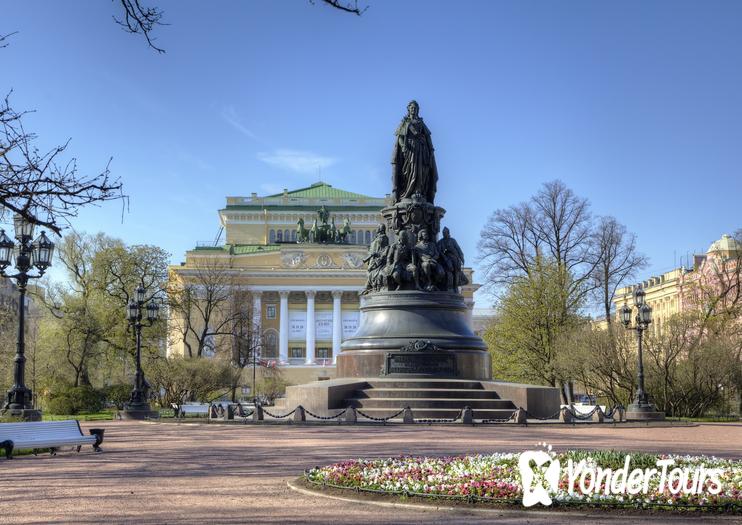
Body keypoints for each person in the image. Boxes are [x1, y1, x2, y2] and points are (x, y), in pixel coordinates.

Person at [391, 100, 438, 203]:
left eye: (415, 108)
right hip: (410, 150)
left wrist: (431, 150)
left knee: (420, 170)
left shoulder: (420, 122)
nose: (414, 110)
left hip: (421, 149)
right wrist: (403, 146)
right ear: (409, 109)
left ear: (418, 110)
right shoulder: (405, 122)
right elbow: (400, 137)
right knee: (409, 170)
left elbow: (427, 137)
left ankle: (418, 190)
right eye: (412, 108)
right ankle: (407, 191)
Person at [437, 226, 469, 291]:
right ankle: (450, 287)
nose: (444, 234)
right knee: (449, 272)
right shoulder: (441, 242)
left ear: (448, 233)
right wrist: (445, 258)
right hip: (447, 259)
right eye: (443, 233)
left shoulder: (452, 240)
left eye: (445, 233)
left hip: (455, 258)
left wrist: (462, 258)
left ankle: (455, 287)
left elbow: (458, 249)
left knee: (456, 272)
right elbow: (439, 252)